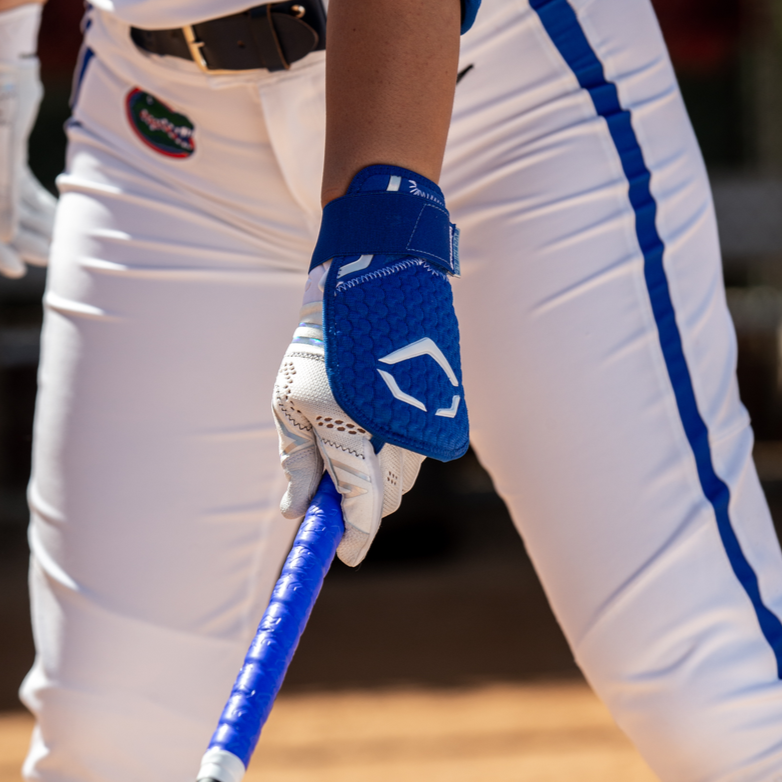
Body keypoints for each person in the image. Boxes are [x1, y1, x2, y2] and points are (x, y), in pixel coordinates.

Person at [4, 0, 782, 778]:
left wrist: (382, 235)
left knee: (713, 695)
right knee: (110, 736)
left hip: (506, 96)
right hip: (165, 125)